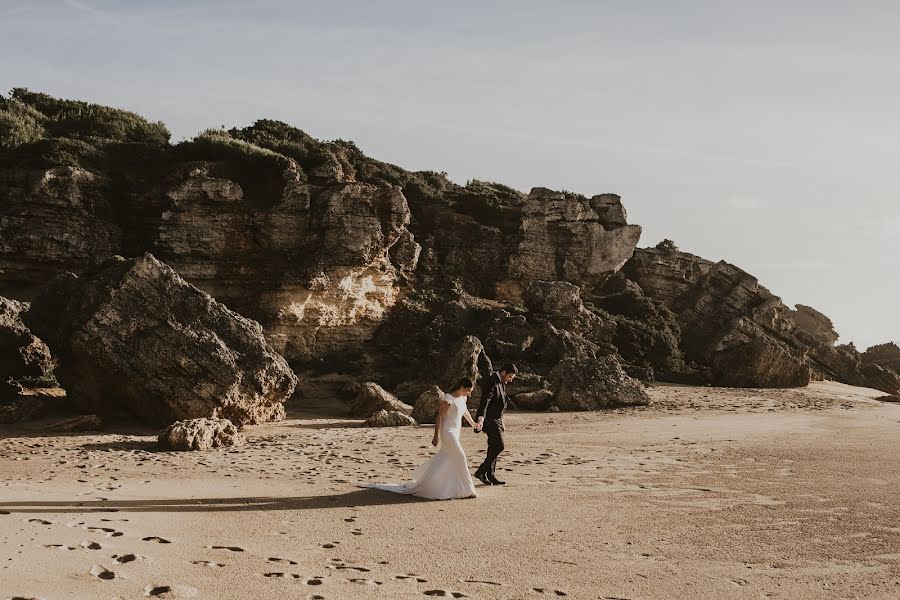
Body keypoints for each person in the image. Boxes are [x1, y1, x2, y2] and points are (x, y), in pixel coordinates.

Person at [359, 377, 479, 500]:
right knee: (460, 456)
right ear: (461, 387)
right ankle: (468, 489)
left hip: (456, 432)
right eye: (468, 390)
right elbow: (439, 418)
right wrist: (436, 436)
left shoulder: (462, 398)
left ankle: (432, 484)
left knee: (446, 458)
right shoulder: (448, 399)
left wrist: (474, 424)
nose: (469, 394)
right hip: (448, 432)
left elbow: (465, 412)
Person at [474, 363, 517, 486]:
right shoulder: (491, 381)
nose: (510, 379)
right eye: (510, 376)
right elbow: (485, 401)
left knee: (493, 446)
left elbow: (500, 403)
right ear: (503, 372)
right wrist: (480, 419)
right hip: (489, 420)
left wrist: (502, 421)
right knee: (499, 446)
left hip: (497, 419)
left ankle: (491, 475)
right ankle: (481, 471)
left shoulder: (502, 382)